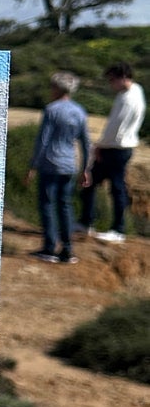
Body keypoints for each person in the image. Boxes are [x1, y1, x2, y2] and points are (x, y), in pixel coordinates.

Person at [27, 71, 91, 263]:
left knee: (47, 204)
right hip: (69, 165)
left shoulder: (51, 109)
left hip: (50, 163)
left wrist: (32, 166)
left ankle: (49, 247)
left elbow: (43, 140)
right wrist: (86, 168)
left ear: (57, 88)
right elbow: (86, 142)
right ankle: (67, 249)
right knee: (65, 205)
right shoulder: (79, 111)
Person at [79, 62, 144, 244]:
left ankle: (117, 229)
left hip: (116, 148)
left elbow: (116, 129)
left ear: (122, 77)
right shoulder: (135, 91)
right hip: (120, 147)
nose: (110, 84)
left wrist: (100, 146)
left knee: (112, 188)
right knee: (98, 184)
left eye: (112, 80)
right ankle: (88, 222)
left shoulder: (127, 99)